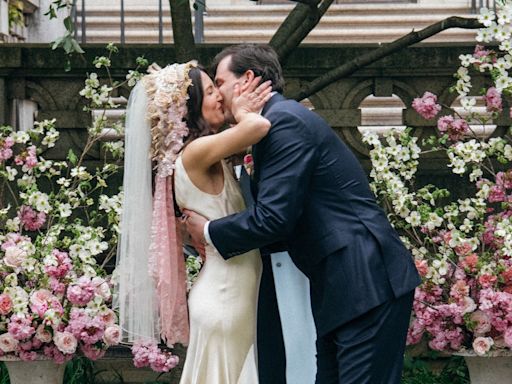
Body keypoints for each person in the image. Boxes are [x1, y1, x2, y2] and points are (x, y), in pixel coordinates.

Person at [183, 44, 422, 384]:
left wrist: (208, 232)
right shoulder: (273, 125)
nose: (219, 95)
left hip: (364, 280)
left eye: (220, 83)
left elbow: (274, 218)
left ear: (247, 79)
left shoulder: (285, 123)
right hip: (340, 285)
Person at [116, 61, 273, 383]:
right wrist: (242, 111)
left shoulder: (204, 154)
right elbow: (257, 128)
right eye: (212, 91)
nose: (221, 97)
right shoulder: (196, 152)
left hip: (230, 290)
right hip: (226, 295)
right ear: (190, 106)